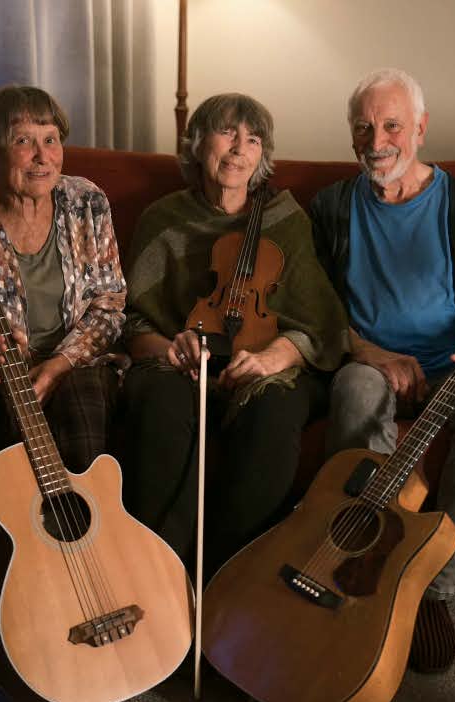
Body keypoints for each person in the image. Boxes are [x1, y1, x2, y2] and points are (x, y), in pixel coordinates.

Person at [309, 68, 455, 672]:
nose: (378, 140)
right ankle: (362, 561)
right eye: (364, 127)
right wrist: (372, 353)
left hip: (452, 366)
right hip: (369, 363)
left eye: (392, 124)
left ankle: (432, 590)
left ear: (421, 129)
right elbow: (313, 307)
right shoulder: (329, 209)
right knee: (352, 388)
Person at [0, 85, 128, 665]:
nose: (42, 156)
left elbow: (110, 306)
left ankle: (87, 570)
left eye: (51, 140)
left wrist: (56, 365)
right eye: (23, 141)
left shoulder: (88, 203)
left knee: (83, 411)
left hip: (76, 356)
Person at [122, 93, 348, 574]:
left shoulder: (285, 219)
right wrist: (169, 349)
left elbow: (320, 324)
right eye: (227, 132)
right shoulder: (163, 219)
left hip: (268, 363)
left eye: (253, 139)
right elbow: (133, 323)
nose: (239, 147)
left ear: (263, 156)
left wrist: (274, 357)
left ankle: (232, 570)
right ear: (198, 142)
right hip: (185, 364)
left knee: (274, 408)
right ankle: (161, 569)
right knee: (159, 399)